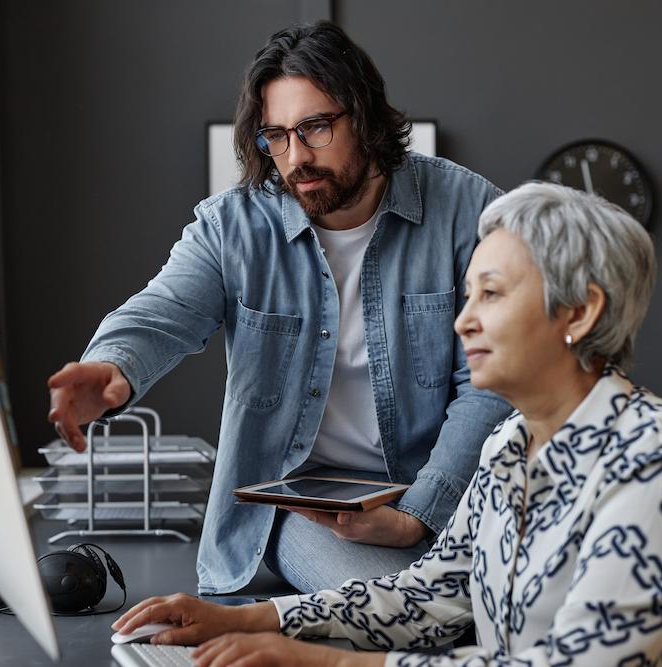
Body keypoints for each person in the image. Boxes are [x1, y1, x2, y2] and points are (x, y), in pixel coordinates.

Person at [111, 182, 662, 665]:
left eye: (492, 293)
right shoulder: (511, 445)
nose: (462, 319)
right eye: (467, 294)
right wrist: (249, 616)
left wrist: (331, 662)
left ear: (580, 312)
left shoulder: (657, 451)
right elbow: (433, 595)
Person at [47, 21, 510, 594]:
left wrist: (420, 511)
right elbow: (162, 310)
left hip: (448, 492)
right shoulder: (232, 225)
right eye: (276, 136)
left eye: (315, 128)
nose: (296, 157)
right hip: (302, 505)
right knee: (413, 610)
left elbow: (493, 379)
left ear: (364, 116)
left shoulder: (470, 210)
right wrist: (113, 365)